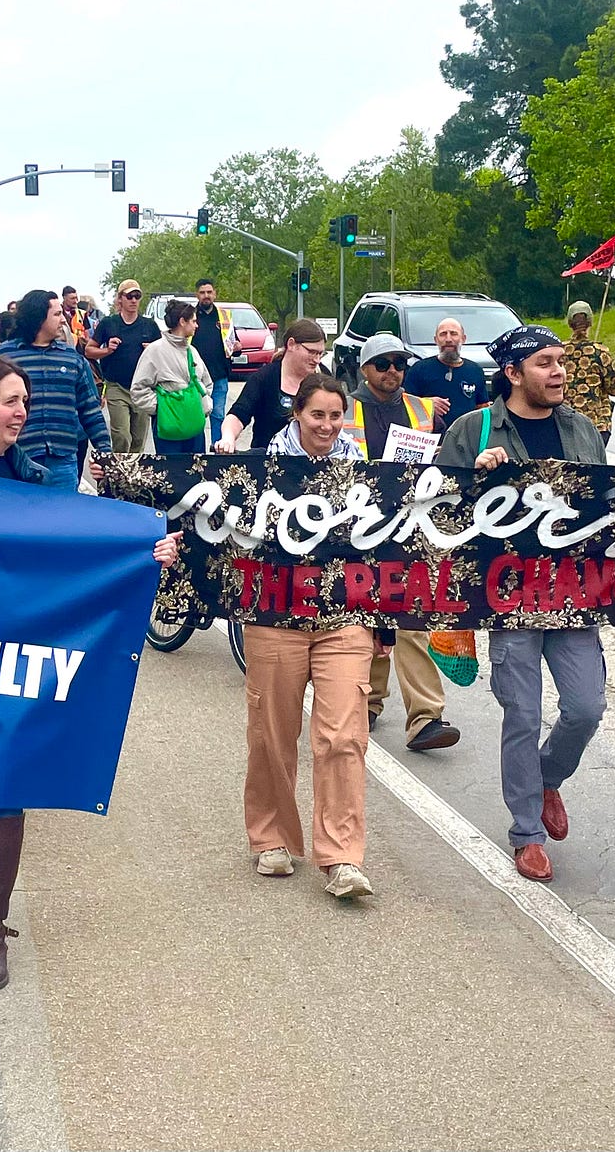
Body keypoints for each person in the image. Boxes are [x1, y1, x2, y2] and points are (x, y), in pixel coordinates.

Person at [0, 358, 180, 991]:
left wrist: (145, 550)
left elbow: (81, 549)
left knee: (3, 786)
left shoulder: (38, 483)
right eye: (10, 400)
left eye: (25, 399)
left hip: (8, 665)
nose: (22, 410)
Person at [435, 325, 608, 883]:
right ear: (512, 373)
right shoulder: (474, 428)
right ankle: (526, 832)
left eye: (560, 362)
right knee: (523, 712)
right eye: (545, 363)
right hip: (507, 593)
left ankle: (546, 778)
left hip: (574, 592)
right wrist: (472, 482)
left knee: (585, 708)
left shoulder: (582, 429)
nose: (559, 372)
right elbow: (432, 511)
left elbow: (607, 505)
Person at [242, 372, 375, 898]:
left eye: (335, 415)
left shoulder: (366, 470)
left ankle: (342, 856)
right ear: (297, 413)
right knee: (273, 734)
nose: (326, 425)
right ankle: (271, 837)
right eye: (316, 414)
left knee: (344, 735)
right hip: (275, 614)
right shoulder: (257, 471)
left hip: (344, 616)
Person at [339, 334, 456, 755]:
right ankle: (367, 701)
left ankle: (426, 717)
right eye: (384, 363)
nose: (393, 371)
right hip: (357, 529)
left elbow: (447, 455)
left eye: (400, 364)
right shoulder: (344, 407)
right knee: (364, 617)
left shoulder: (422, 409)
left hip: (410, 527)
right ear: (365, 369)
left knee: (412, 619)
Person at [0, 290, 110, 490]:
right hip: (15, 457)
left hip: (62, 461)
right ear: (38, 317)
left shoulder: (72, 359)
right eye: (57, 314)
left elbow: (90, 410)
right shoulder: (4, 355)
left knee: (63, 518)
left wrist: (105, 453)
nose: (63, 320)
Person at [215, 319, 328, 455]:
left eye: (320, 354)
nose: (317, 360)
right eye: (312, 352)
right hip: (268, 464)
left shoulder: (323, 380)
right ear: (291, 344)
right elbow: (238, 414)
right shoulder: (264, 377)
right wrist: (228, 438)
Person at [86, 280, 161, 454]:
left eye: (137, 296)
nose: (134, 300)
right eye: (129, 296)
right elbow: (89, 351)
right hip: (116, 386)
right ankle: (118, 471)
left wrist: (152, 350)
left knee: (138, 439)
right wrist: (106, 350)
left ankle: (133, 476)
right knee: (122, 435)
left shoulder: (148, 325)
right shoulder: (109, 323)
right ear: (120, 299)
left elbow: (163, 354)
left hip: (143, 387)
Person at [131, 299, 213, 454]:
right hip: (168, 434)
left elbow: (207, 383)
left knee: (197, 474)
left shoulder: (193, 352)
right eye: (194, 321)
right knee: (171, 475)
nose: (197, 325)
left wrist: (202, 405)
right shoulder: (155, 351)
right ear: (183, 321)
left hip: (195, 429)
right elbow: (138, 390)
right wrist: (162, 408)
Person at [561, 300, 615, 445]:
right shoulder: (600, 352)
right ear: (590, 322)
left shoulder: (559, 351)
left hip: (564, 423)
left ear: (570, 323)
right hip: (596, 424)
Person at [404, 319, 486, 426]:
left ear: (463, 338)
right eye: (443, 334)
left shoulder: (475, 370)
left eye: (454, 334)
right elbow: (403, 405)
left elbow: (482, 408)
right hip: (431, 437)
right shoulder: (419, 369)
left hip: (466, 438)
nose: (448, 339)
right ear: (436, 340)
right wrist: (426, 405)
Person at [191, 279, 240, 448]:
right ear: (197, 294)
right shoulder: (189, 316)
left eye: (209, 292)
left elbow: (234, 344)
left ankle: (217, 448)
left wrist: (237, 347)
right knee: (196, 416)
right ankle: (197, 451)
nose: (206, 296)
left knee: (218, 414)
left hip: (219, 375)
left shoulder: (224, 316)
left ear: (214, 294)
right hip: (195, 378)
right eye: (203, 292)